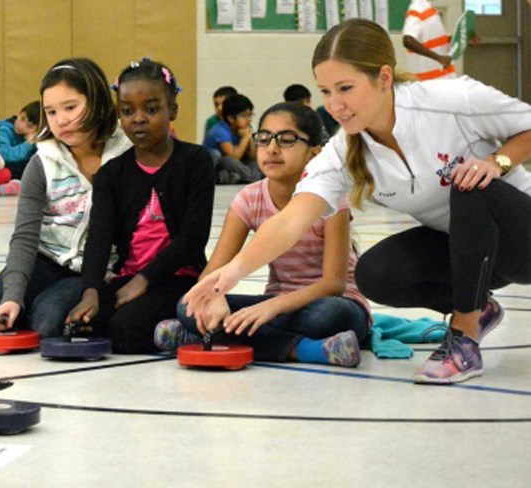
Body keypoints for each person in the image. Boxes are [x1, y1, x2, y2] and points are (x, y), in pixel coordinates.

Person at [183, 18, 531, 385]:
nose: (335, 105)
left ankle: (464, 337)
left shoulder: (450, 101)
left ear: (383, 77)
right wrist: (231, 274)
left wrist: (496, 163)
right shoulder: (344, 151)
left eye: (345, 88)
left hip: (520, 239)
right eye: (326, 92)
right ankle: (479, 308)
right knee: (375, 273)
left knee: (468, 185)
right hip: (471, 255)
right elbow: (290, 220)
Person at [156, 102, 370, 366]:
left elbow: (333, 284)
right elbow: (212, 273)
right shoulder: (249, 198)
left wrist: (271, 308)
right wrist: (215, 296)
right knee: (186, 306)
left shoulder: (330, 199)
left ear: (314, 154)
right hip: (278, 304)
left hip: (332, 303)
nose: (272, 148)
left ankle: (200, 339)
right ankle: (303, 349)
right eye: (264, 138)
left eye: (287, 139)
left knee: (328, 316)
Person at [0, 58, 133, 339]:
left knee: (48, 325)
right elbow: (25, 236)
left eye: (70, 107)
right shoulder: (43, 163)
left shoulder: (126, 155)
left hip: (95, 272)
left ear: (97, 101)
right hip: (45, 262)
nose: (60, 120)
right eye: (51, 112)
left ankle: (35, 307)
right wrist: (12, 296)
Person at [68, 58, 215, 354]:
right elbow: (99, 238)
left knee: (126, 331)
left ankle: (184, 332)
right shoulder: (111, 174)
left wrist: (144, 279)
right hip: (127, 278)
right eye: (127, 111)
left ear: (172, 110)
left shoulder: (195, 162)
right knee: (83, 326)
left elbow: (193, 238)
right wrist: (91, 291)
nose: (138, 119)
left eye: (151, 109)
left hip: (177, 279)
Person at [203, 93, 262, 184]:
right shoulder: (220, 130)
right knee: (228, 160)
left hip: (236, 166)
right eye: (244, 116)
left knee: (256, 161)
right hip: (219, 165)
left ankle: (239, 177)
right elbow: (233, 157)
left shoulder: (245, 128)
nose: (248, 119)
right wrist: (245, 138)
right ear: (231, 118)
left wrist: (250, 139)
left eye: (250, 115)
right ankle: (254, 177)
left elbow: (252, 156)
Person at [402, 0, 455, 81]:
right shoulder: (417, 9)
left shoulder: (428, 8)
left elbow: (435, 41)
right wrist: (439, 58)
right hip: (428, 81)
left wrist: (462, 36)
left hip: (440, 77)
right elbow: (408, 41)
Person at [0, 101, 40, 180]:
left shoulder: (34, 138)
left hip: (20, 175)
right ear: (19, 113)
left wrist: (36, 142)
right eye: (22, 118)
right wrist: (28, 144)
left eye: (29, 126)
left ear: (36, 130)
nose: (21, 126)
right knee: (5, 173)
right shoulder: (4, 130)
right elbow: (4, 155)